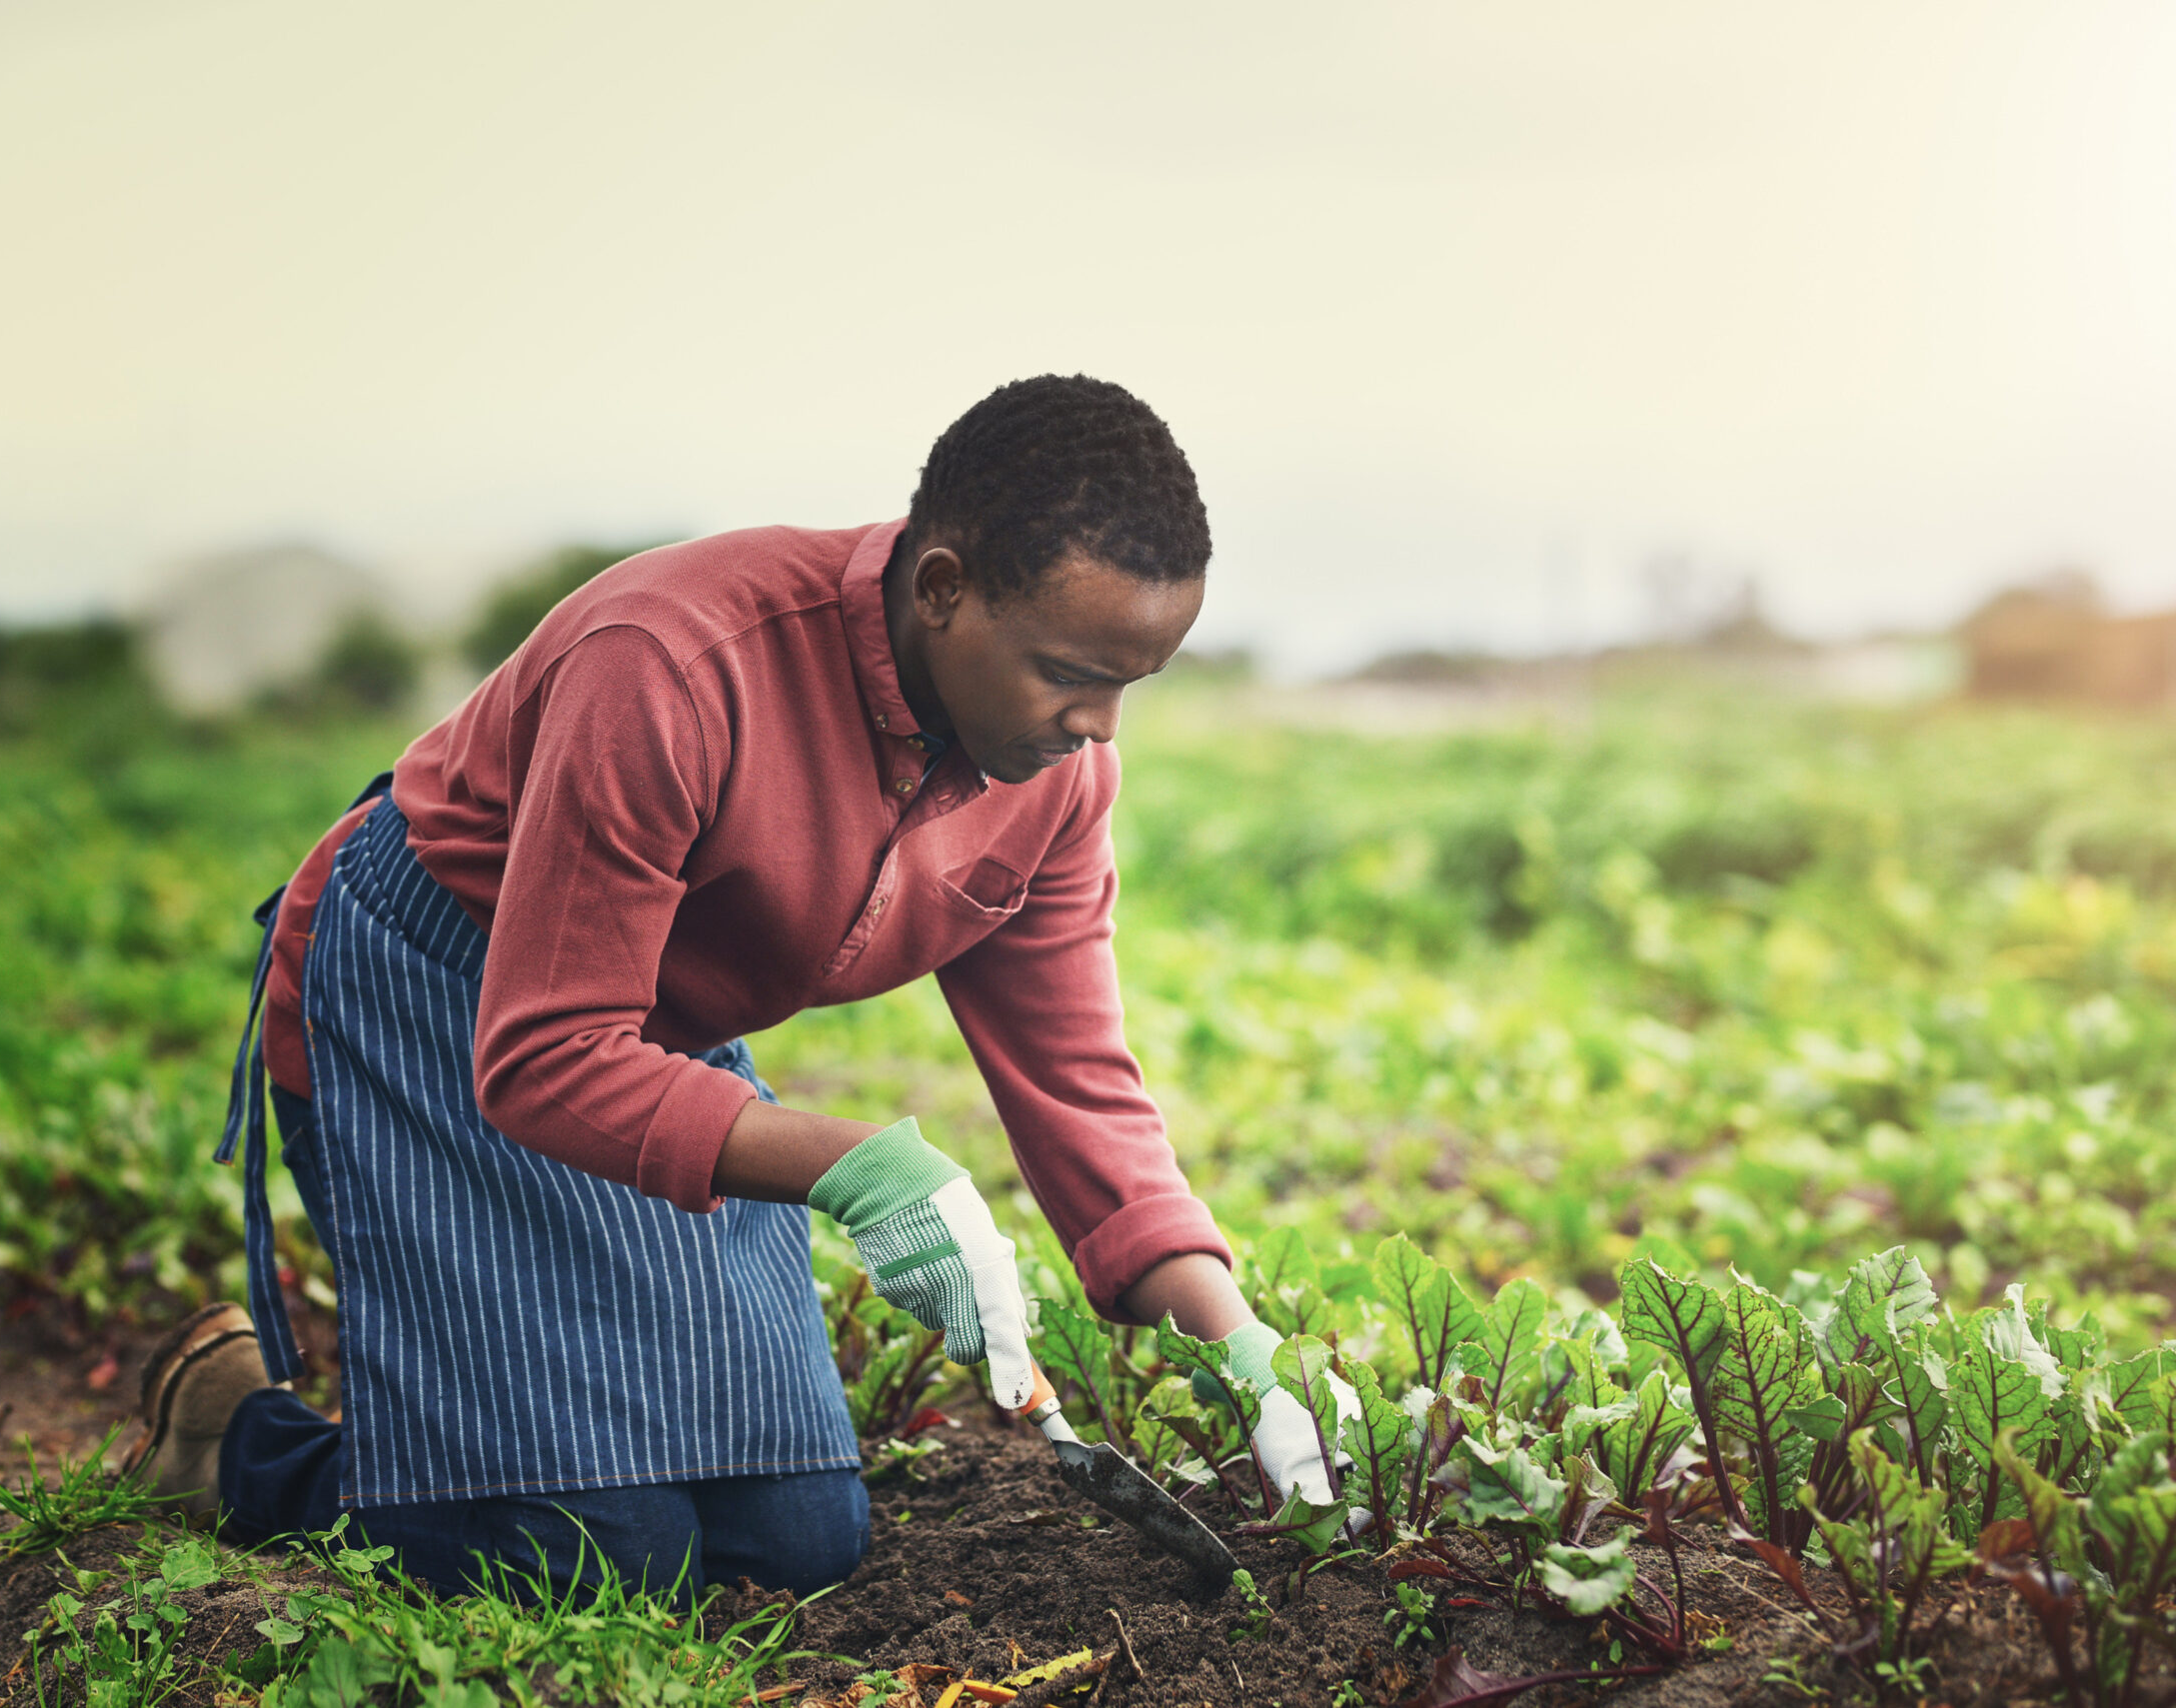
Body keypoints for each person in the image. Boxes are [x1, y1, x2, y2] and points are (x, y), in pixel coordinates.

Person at [121, 374, 1342, 1601]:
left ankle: (505, 1453)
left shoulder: (1056, 777)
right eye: (1070, 671)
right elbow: (545, 1052)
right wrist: (859, 1167)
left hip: (652, 1033)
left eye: (1136, 680)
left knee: (796, 1536)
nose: (1101, 725)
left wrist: (1237, 1339)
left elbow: (1078, 1084)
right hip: (441, 992)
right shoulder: (670, 665)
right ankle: (238, 1441)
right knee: (585, 1550)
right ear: (942, 590)